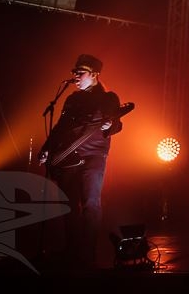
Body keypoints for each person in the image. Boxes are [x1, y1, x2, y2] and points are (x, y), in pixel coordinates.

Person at [38, 54, 123, 267]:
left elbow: (118, 124)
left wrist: (110, 126)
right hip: (69, 157)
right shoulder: (72, 99)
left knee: (90, 204)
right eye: (74, 72)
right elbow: (60, 127)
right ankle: (72, 250)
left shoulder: (108, 98)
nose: (75, 75)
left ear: (94, 74)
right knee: (69, 204)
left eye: (80, 72)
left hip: (93, 156)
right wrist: (47, 148)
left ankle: (88, 252)